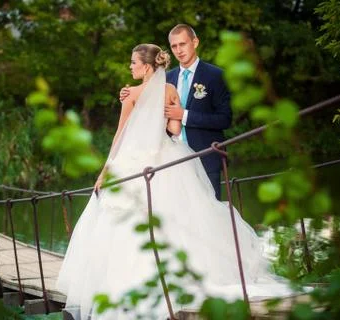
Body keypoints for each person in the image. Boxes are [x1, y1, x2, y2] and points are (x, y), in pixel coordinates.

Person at [56, 44, 295, 320]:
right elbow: (174, 129)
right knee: (178, 218)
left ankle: (128, 289)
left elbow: (119, 137)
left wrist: (104, 172)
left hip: (133, 163)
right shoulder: (169, 91)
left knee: (125, 223)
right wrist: (169, 111)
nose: (130, 67)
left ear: (146, 67)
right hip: (165, 159)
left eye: (133, 62)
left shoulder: (130, 94)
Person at [120, 24, 232, 200]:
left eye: (183, 44)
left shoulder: (215, 76)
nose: (179, 50)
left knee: (209, 214)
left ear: (195, 42)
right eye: (174, 46)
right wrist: (128, 97)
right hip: (170, 163)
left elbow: (225, 119)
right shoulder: (165, 78)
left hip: (205, 158)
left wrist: (184, 115)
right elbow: (148, 110)